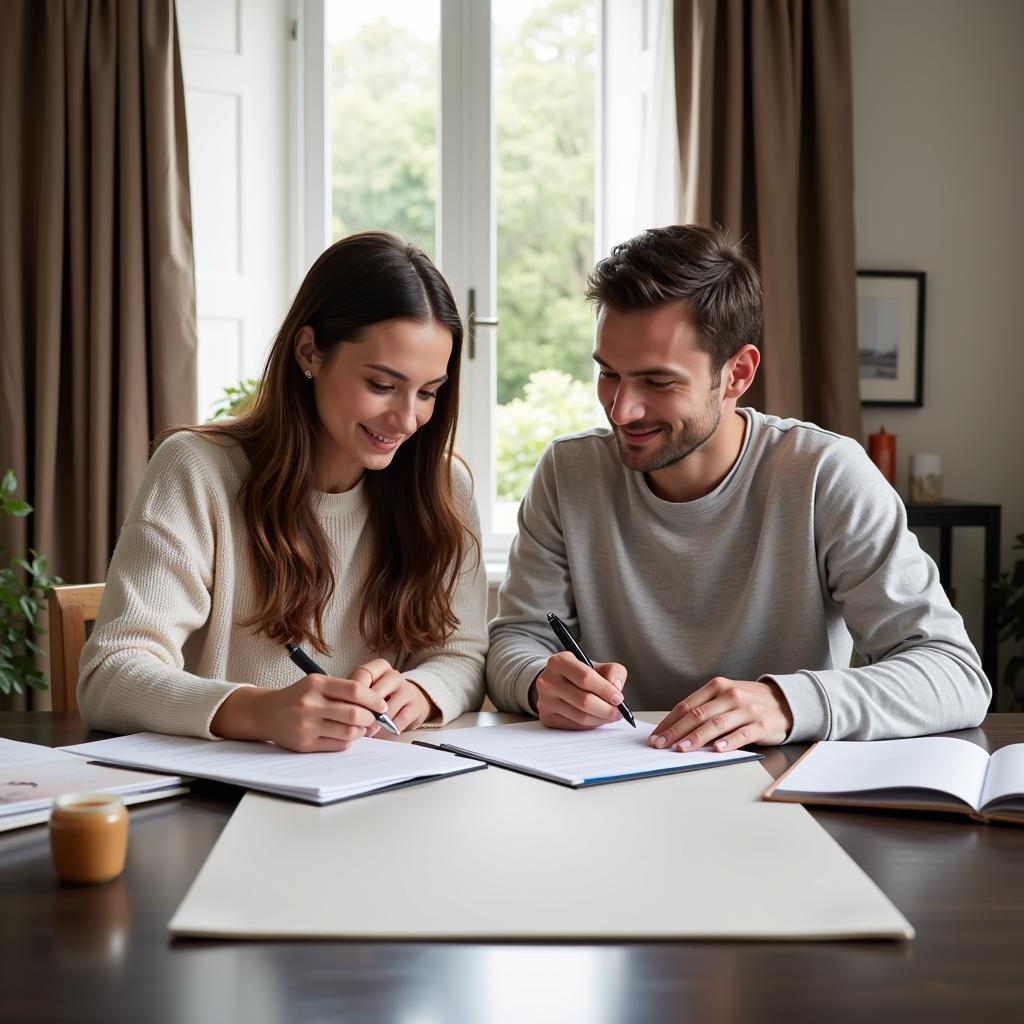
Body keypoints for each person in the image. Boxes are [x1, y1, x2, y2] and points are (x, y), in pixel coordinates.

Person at [486, 224, 990, 750]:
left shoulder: (825, 474)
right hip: (610, 783)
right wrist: (541, 680)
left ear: (738, 374)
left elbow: (953, 675)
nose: (622, 409)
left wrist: (786, 703)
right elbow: (514, 646)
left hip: (779, 789)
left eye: (657, 382)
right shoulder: (569, 473)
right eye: (609, 374)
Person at [79, 232, 487, 751]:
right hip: (223, 802)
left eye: (428, 392)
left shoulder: (444, 486)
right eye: (382, 385)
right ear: (309, 352)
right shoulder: (198, 470)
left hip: (378, 795)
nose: (407, 420)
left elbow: (464, 654)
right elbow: (109, 674)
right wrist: (260, 711)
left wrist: (422, 690)